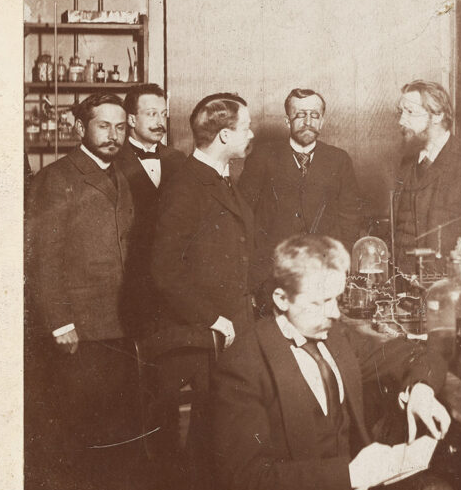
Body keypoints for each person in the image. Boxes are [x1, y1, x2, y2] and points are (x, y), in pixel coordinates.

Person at [210, 234, 461, 490]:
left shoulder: (335, 338)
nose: (333, 313)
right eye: (319, 302)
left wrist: (421, 388)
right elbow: (248, 486)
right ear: (281, 298)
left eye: (336, 299)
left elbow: (413, 354)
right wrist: (350, 474)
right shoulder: (244, 364)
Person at [25, 93, 139, 490]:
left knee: (110, 430)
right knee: (70, 434)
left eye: (119, 127)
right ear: (81, 129)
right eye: (103, 127)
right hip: (77, 329)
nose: (113, 136)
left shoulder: (122, 176)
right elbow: (43, 259)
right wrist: (58, 323)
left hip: (117, 326)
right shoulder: (56, 179)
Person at [238, 88, 361, 310]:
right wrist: (257, 276)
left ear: (322, 120)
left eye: (314, 115)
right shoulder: (262, 158)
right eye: (300, 115)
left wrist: (338, 267)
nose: (307, 122)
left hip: (323, 275)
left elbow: (350, 218)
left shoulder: (339, 160)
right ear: (287, 121)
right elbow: (244, 216)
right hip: (272, 277)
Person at [151, 92, 256, 347]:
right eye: (246, 127)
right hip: (206, 334)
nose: (251, 134)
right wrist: (212, 319)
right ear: (224, 135)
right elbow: (164, 270)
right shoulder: (184, 187)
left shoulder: (221, 177)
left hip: (234, 324)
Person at [392, 80, 461, 277]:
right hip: (404, 285)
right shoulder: (408, 162)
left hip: (448, 287)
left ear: (438, 115)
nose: (401, 121)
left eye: (410, 112)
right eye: (401, 112)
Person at [112, 83, 187, 335]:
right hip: (126, 279)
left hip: (170, 280)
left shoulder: (178, 160)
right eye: (151, 113)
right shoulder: (111, 160)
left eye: (163, 114)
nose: (160, 121)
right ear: (131, 119)